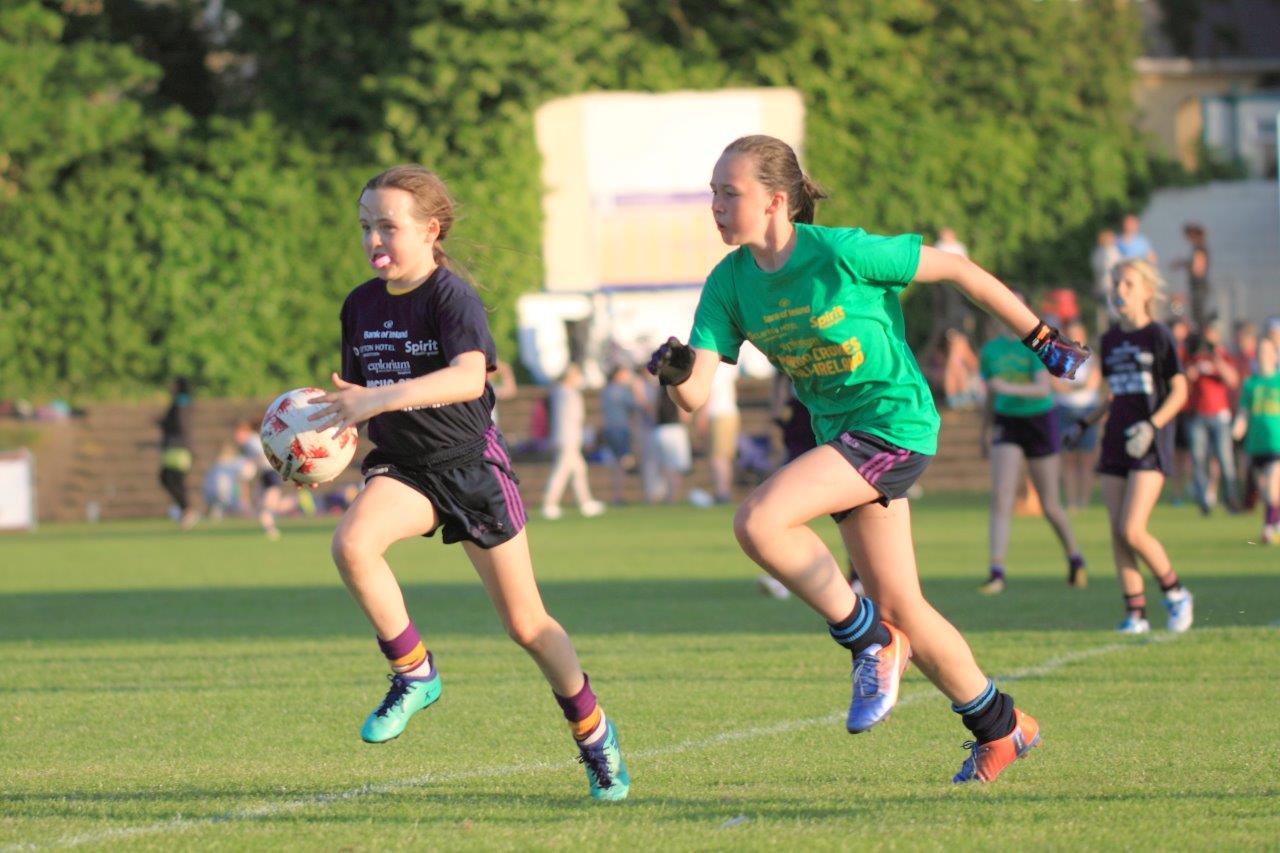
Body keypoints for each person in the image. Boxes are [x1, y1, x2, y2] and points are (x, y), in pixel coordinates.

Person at [648, 135, 1090, 784]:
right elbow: (693, 398)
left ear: (775, 202)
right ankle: (1001, 725)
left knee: (760, 521)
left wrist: (1043, 339)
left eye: (728, 193)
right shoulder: (729, 284)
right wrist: (674, 368)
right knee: (903, 603)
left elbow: (962, 272)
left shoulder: (842, 251)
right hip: (843, 437)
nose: (715, 206)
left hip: (894, 423)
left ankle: (868, 640)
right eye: (712, 193)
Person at [308, 164, 628, 800]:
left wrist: (377, 400)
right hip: (406, 469)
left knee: (526, 625)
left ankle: (594, 735)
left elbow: (467, 378)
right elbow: (357, 399)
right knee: (350, 544)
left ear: (431, 231)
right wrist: (322, 447)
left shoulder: (450, 297)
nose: (375, 239)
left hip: (471, 467)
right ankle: (413, 672)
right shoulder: (359, 305)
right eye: (366, 226)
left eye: (389, 226)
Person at [1073, 260, 1192, 634]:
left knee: (1132, 528)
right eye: (1115, 284)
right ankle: (1135, 614)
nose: (1119, 290)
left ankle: (1175, 592)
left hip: (1148, 442)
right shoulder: (1109, 340)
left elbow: (1180, 390)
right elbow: (1112, 396)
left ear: (1145, 291)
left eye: (1127, 284)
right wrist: (1082, 424)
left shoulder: (1158, 335)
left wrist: (1151, 426)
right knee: (1116, 530)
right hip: (1115, 443)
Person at [977, 318, 1087, 593]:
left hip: (1039, 420)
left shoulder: (1036, 344)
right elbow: (991, 395)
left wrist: (1007, 388)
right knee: (1002, 496)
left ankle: (1075, 558)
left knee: (1050, 504)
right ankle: (996, 571)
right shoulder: (990, 351)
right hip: (1007, 421)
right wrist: (985, 430)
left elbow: (1042, 388)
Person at [1185, 319, 1241, 515]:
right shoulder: (1195, 357)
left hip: (1220, 415)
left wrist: (1216, 357)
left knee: (1225, 460)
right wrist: (1189, 375)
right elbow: (1185, 382)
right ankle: (1203, 501)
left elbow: (1232, 380)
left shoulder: (1223, 356)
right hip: (1198, 414)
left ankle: (1231, 499)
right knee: (1199, 459)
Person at [541, 362, 606, 520]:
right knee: (562, 471)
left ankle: (585, 502)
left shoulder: (562, 392)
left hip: (569, 437)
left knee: (579, 471)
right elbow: (571, 419)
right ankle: (549, 504)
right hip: (568, 437)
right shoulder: (566, 393)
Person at [1233, 338, 1280, 543]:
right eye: (1260, 351)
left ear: (1275, 355)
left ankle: (1268, 529)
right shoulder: (1250, 383)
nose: (1263, 355)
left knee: (1271, 486)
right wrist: (1236, 431)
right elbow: (1244, 412)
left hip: (1276, 443)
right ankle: (1276, 521)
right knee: (1265, 490)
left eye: (1267, 351)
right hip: (1256, 444)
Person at [1053, 319, 1103, 510]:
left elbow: (1092, 383)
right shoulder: (1058, 356)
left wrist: (1071, 386)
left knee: (1086, 458)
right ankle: (1072, 501)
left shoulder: (1092, 358)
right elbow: (1057, 385)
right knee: (1068, 459)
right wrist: (1074, 387)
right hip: (1065, 410)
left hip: (1087, 411)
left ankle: (1084, 501)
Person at [157, 376, 198, 530]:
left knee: (173, 479)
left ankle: (187, 510)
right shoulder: (182, 403)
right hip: (176, 447)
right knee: (168, 478)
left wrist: (165, 425)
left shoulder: (181, 403)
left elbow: (180, 424)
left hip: (178, 447)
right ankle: (185, 510)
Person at [235, 419, 285, 539]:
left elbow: (262, 456)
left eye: (238, 433)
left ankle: (272, 530)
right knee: (265, 505)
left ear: (244, 432)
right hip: (265, 475)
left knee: (267, 506)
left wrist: (250, 465)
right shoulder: (249, 443)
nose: (236, 437)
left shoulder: (251, 441)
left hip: (270, 474)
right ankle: (271, 529)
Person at [599, 362, 640, 505]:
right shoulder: (621, 390)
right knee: (623, 462)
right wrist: (635, 389)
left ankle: (617, 495)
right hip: (620, 429)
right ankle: (620, 495)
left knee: (617, 463)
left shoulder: (606, 390)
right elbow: (636, 405)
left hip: (609, 429)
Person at [704, 362, 741, 503]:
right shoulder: (729, 367)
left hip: (718, 414)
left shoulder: (714, 368)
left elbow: (709, 393)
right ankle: (723, 491)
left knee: (718, 457)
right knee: (725, 457)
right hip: (730, 413)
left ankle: (721, 492)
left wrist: (703, 416)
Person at [1175, 223, 1211, 329]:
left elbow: (1198, 269)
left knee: (1199, 318)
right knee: (1196, 317)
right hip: (1198, 288)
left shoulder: (1199, 249)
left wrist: (1183, 264)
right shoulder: (1199, 248)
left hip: (1199, 288)